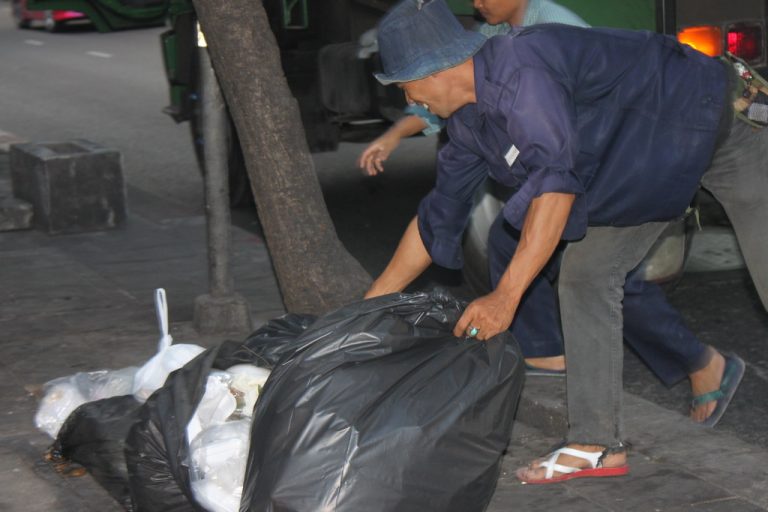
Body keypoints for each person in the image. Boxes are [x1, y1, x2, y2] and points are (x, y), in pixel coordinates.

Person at [366, 0, 767, 483]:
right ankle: (596, 445)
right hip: (642, 163)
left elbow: (554, 188)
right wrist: (363, 315)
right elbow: (436, 220)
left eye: (406, 86)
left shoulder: (521, 72)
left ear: (435, 70)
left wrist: (505, 297)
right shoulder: (469, 124)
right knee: (586, 276)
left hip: (712, 118)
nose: (410, 101)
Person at [357, 0, 588, 177]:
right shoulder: (488, 33)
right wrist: (394, 135)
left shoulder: (556, 25)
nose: (477, 4)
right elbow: (449, 94)